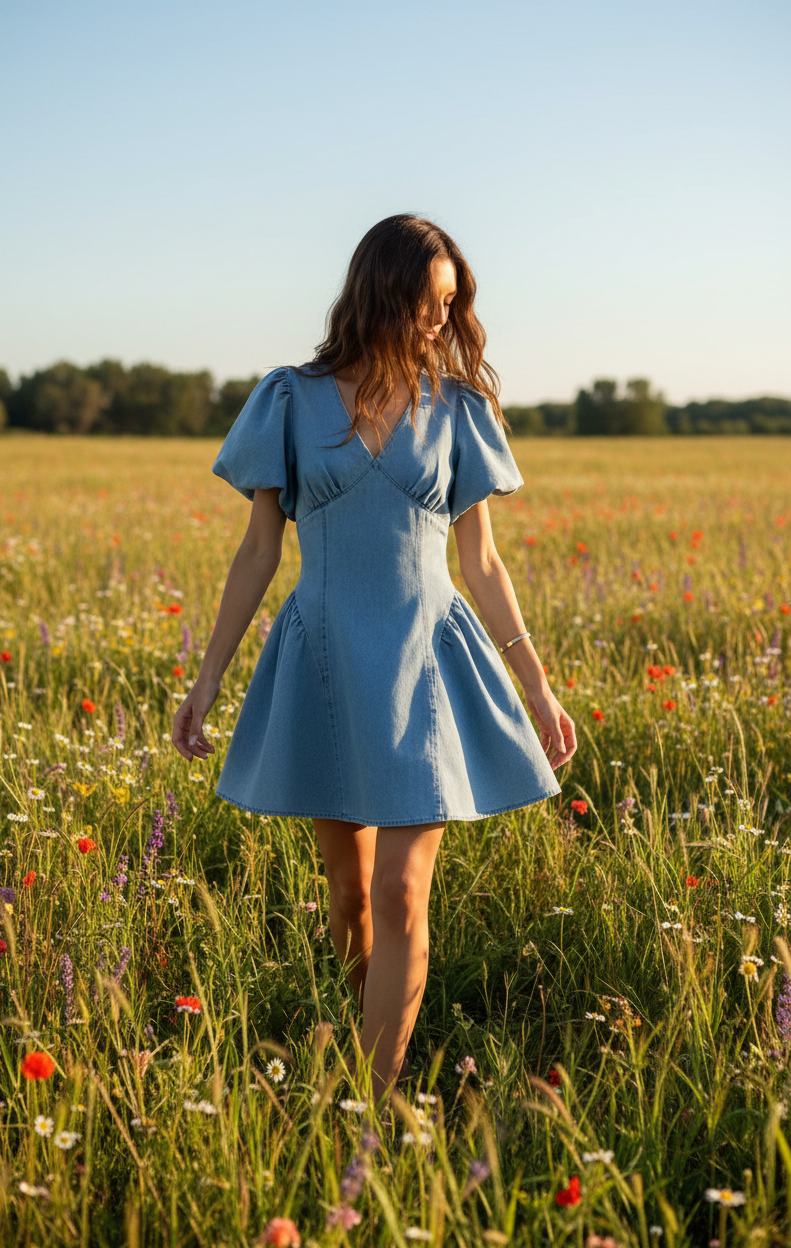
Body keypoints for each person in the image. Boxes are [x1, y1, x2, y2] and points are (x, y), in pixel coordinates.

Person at [172, 214, 577, 1105]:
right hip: (323, 662)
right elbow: (258, 553)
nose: (442, 317)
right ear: (382, 292)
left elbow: (482, 563)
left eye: (452, 302)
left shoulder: (459, 409)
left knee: (399, 890)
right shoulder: (289, 398)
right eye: (429, 299)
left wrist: (538, 686)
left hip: (424, 665)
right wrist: (207, 680)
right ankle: (376, 1040)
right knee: (351, 897)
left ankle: (368, 1107)